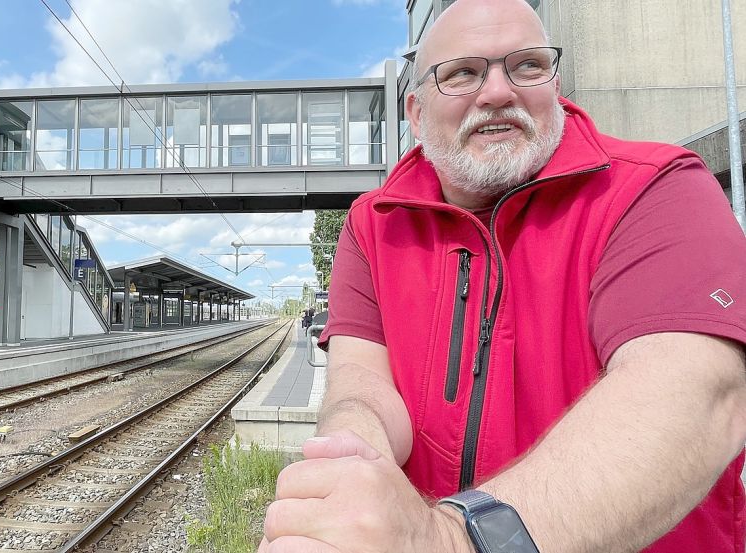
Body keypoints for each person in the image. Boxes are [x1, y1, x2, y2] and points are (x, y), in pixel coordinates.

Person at [260, 1, 746, 552]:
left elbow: (694, 397)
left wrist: (453, 539)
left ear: (555, 82)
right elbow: (362, 383)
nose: (496, 92)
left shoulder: (655, 189)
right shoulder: (374, 224)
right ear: (416, 114)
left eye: (527, 66)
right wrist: (348, 471)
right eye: (463, 73)